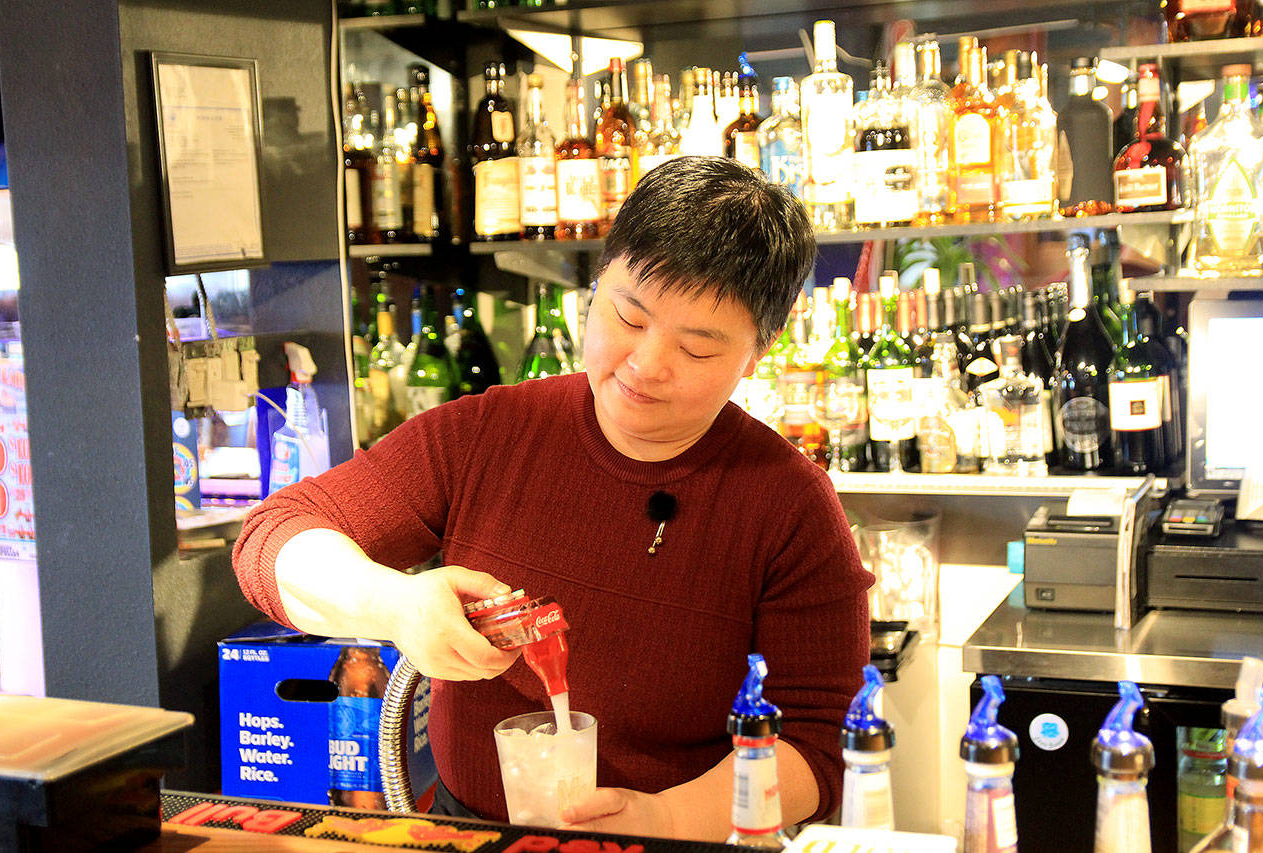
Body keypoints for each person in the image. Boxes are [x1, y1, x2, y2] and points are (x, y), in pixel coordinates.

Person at [232, 156, 872, 841]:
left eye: (696, 348)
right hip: (471, 832)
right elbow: (271, 538)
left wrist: (667, 816)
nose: (646, 364)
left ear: (758, 352)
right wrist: (397, 605)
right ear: (595, 287)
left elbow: (820, 742)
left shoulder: (788, 506)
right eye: (628, 315)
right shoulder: (492, 432)